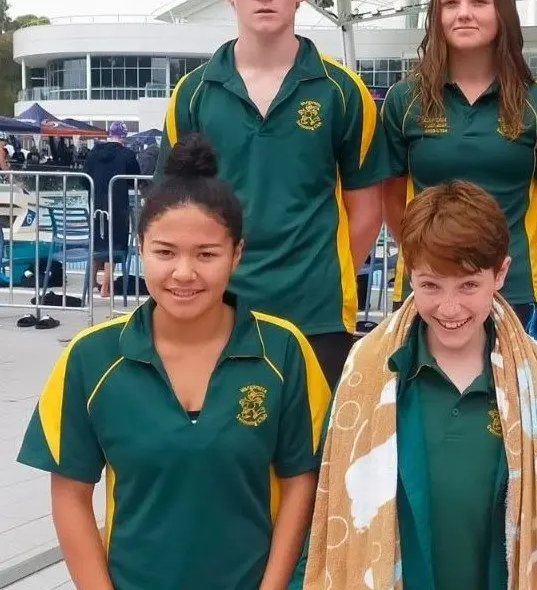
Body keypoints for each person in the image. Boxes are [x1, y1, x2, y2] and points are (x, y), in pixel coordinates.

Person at [301, 180, 537, 590]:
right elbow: (332, 501)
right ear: (409, 273)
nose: (450, 307)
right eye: (430, 285)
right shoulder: (368, 368)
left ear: (501, 273)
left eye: (469, 285)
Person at [17, 133, 331, 590]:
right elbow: (70, 493)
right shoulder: (92, 357)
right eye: (165, 252)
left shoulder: (283, 350)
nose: (184, 273)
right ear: (140, 247)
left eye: (207, 254)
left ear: (237, 255)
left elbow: (301, 480)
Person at [158, 0, 389, 388]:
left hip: (317, 312)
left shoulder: (342, 92)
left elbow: (367, 211)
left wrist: (322, 271)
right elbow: (172, 211)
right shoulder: (193, 94)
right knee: (225, 452)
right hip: (217, 306)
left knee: (311, 454)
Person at [379, 0, 537, 344]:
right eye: (450, 3)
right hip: (426, 290)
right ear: (436, 15)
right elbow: (392, 198)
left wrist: (505, 252)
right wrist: (431, 252)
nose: (463, 13)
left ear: (503, 11)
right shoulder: (404, 100)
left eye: (478, 2)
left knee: (513, 406)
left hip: (511, 289)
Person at [85, 121, 141, 298]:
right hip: (117, 206)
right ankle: (106, 288)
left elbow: (83, 179)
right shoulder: (127, 155)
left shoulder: (94, 153)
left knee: (97, 243)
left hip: (96, 205)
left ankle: (93, 281)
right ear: (124, 137)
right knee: (115, 244)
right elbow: (135, 179)